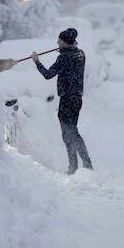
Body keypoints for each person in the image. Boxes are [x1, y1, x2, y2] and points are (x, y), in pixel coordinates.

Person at [32, 28, 93, 175]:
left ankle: (78, 166)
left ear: (65, 42)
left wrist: (37, 62)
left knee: (69, 134)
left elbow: (48, 74)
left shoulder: (65, 58)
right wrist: (62, 51)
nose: (57, 42)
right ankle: (81, 165)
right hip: (77, 99)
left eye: (59, 40)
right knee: (72, 132)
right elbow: (70, 61)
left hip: (66, 100)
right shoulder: (80, 54)